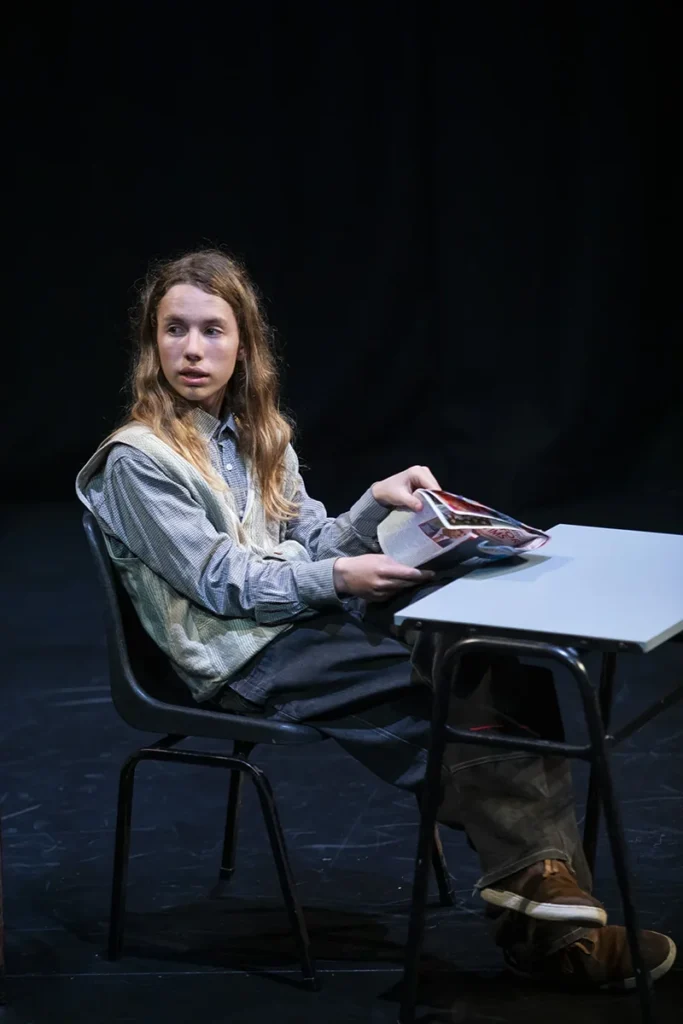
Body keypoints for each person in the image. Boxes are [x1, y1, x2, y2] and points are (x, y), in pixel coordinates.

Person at [76, 249, 676, 990]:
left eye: (211, 330)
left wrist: (374, 505)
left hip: (290, 622)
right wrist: (339, 577)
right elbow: (222, 583)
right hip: (234, 655)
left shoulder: (260, 437)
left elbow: (310, 540)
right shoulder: (139, 461)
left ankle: (546, 899)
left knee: (493, 663)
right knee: (457, 722)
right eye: (174, 330)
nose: (192, 350)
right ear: (152, 343)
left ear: (245, 345)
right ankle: (559, 935)